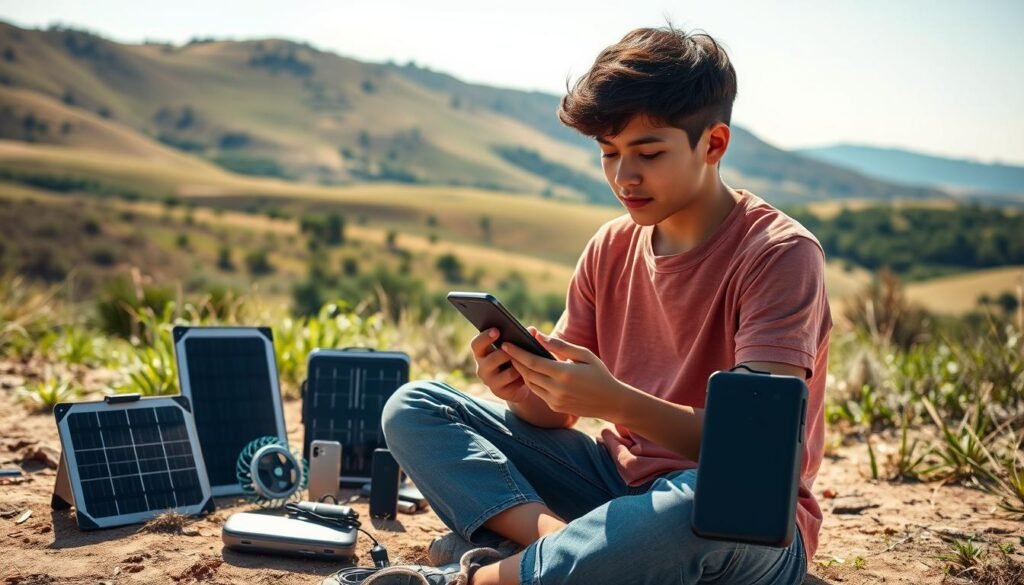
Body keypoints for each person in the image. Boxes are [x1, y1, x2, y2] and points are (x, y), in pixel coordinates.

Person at [328, 23, 832, 585]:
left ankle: (482, 577)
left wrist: (616, 401)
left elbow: (754, 453)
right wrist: (524, 389)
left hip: (737, 517)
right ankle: (580, 552)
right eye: (609, 152)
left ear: (712, 144)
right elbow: (556, 418)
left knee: (691, 514)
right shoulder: (611, 245)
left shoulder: (779, 255)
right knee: (416, 406)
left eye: (648, 152)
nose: (624, 175)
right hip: (611, 486)